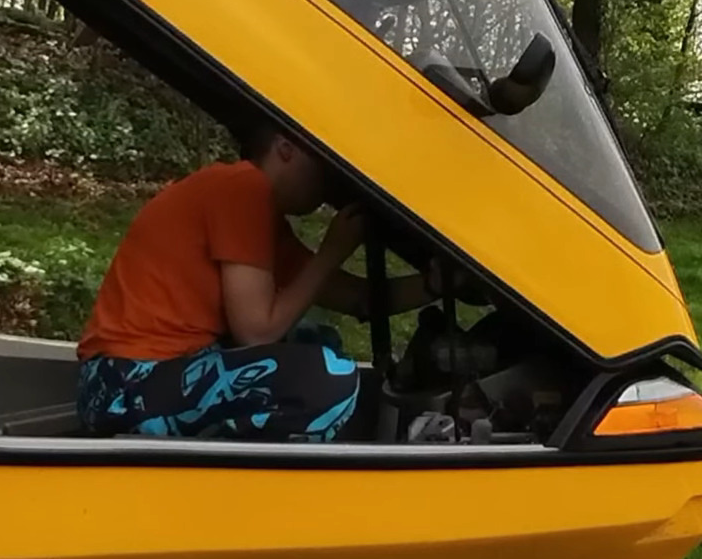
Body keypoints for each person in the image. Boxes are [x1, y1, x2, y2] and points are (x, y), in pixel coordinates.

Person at [77, 122, 437, 440]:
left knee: (315, 340)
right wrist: (331, 252)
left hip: (147, 378)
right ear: (286, 149)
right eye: (326, 164)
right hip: (125, 385)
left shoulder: (258, 215)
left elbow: (358, 298)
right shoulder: (242, 187)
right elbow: (257, 332)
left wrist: (436, 284)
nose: (331, 183)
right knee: (325, 378)